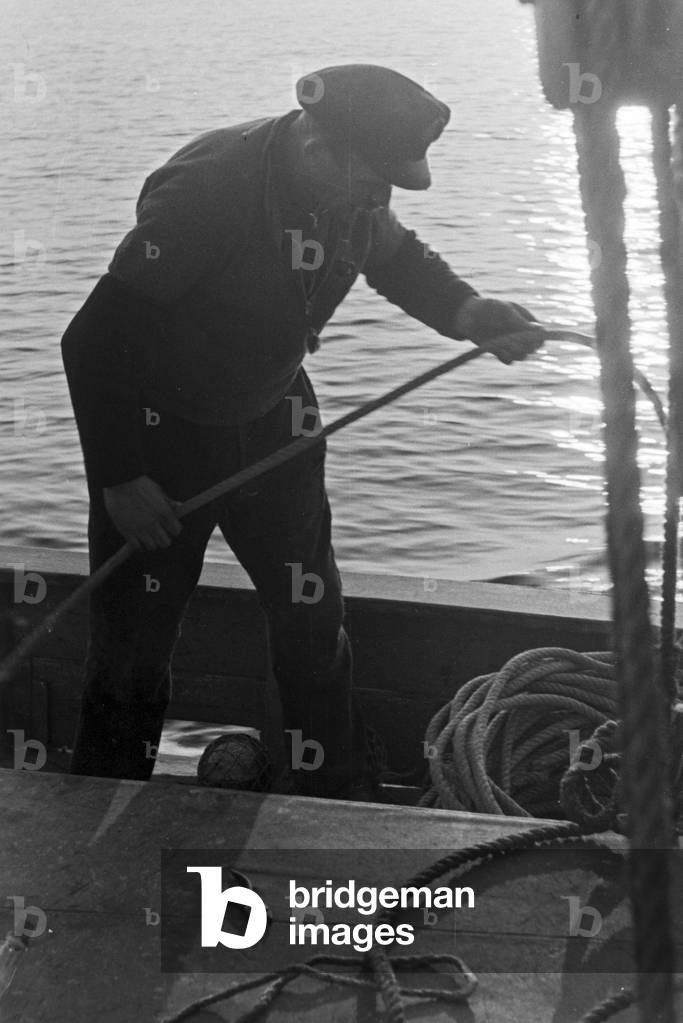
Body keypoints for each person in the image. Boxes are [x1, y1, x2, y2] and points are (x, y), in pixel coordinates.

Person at [61, 64, 545, 800]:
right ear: (319, 152)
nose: (378, 201)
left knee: (312, 622)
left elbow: (395, 257)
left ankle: (339, 795)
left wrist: (468, 311)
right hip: (159, 441)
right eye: (372, 182)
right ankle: (98, 814)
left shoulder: (346, 191)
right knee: (132, 653)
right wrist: (120, 479)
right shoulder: (207, 194)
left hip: (275, 427)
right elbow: (92, 340)